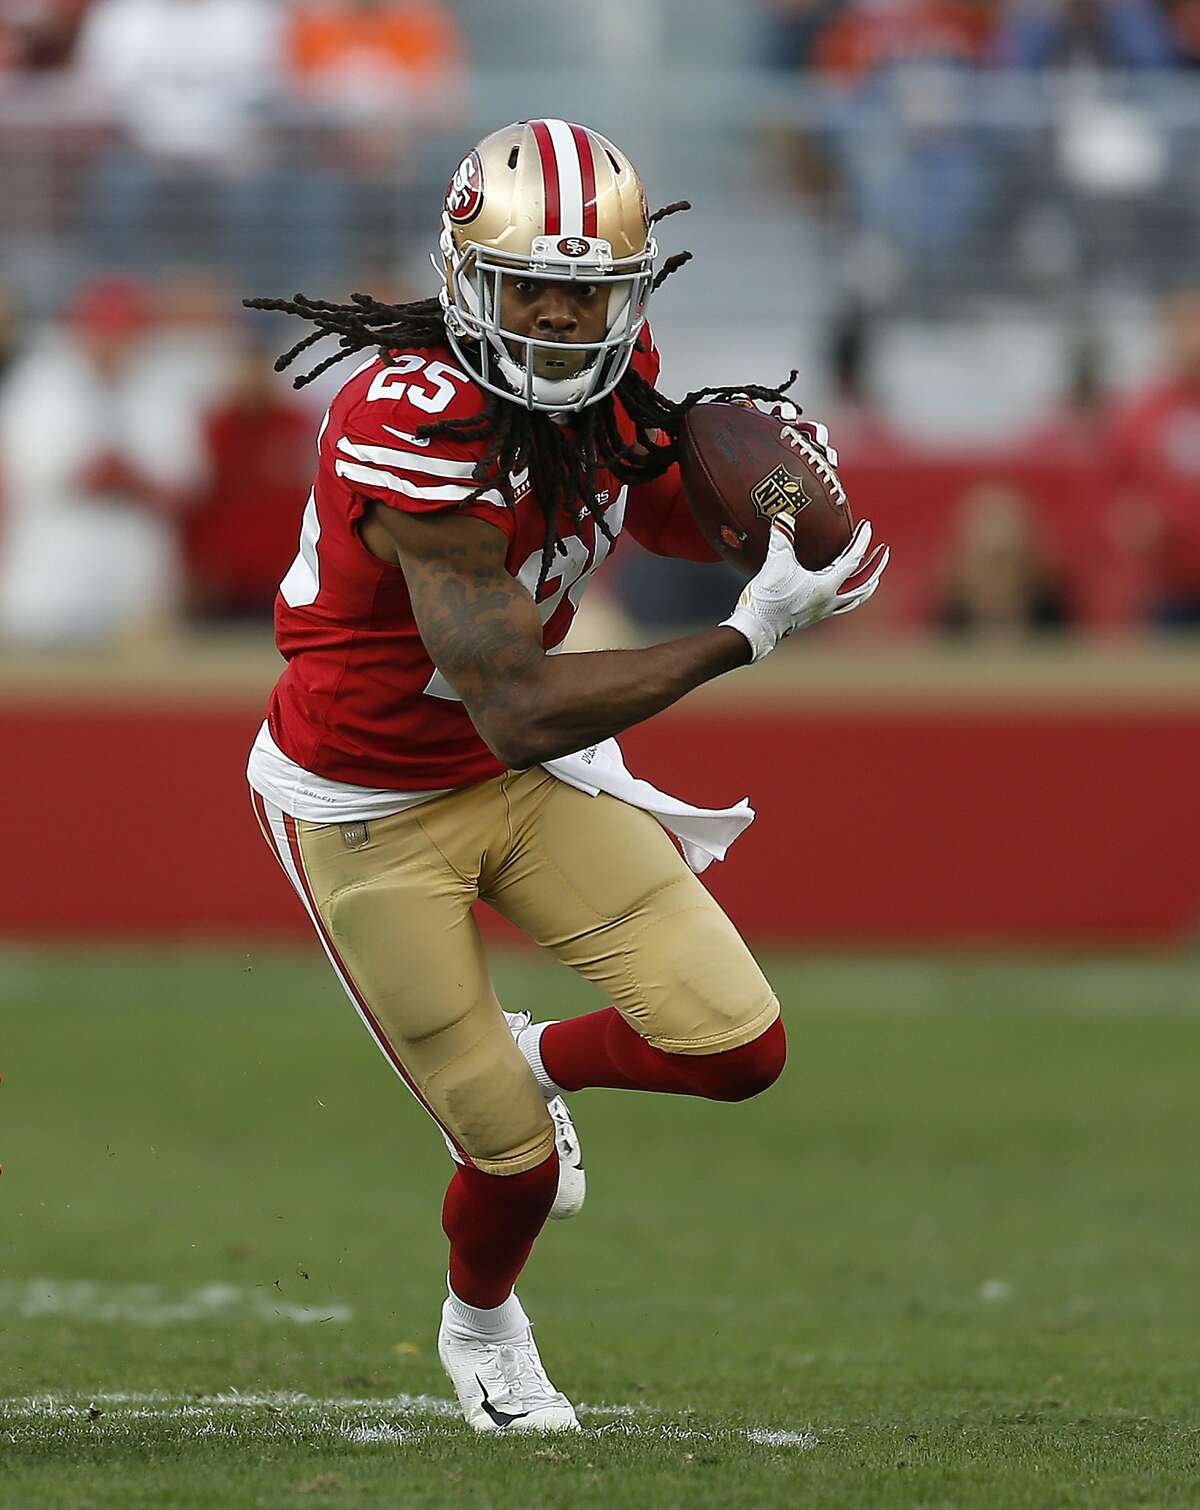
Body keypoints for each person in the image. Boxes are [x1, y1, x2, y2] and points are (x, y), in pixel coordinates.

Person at [244, 119, 888, 1433]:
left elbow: (635, 491)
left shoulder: (613, 372)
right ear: (464, 274)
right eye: (528, 282)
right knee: (513, 1164)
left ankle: (535, 1052)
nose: (557, 314)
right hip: (371, 807)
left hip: (513, 777)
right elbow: (516, 698)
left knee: (737, 1045)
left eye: (588, 290)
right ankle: (482, 1323)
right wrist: (743, 632)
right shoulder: (406, 420)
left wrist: (756, 524)